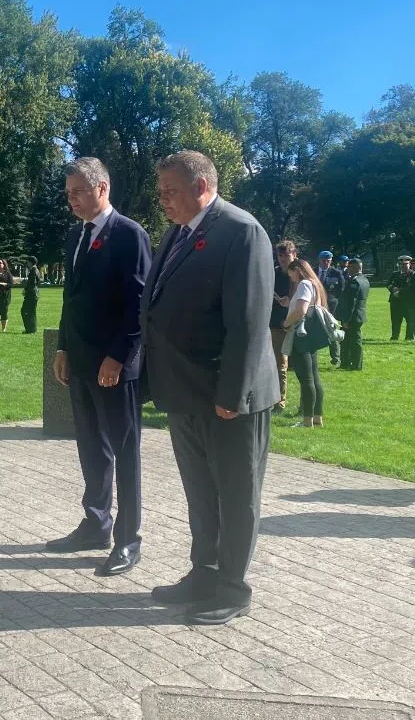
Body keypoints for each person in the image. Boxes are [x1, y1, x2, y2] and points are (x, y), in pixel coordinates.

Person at [141, 150, 278, 625]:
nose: (163, 201)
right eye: (161, 192)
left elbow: (248, 320)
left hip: (227, 398)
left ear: (201, 186)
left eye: (170, 191)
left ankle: (233, 588)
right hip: (184, 393)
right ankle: (204, 572)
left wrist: (232, 394)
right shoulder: (179, 232)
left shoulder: (241, 232)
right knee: (200, 491)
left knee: (236, 495)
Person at [49, 156, 151, 580]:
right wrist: (62, 347)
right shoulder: (76, 234)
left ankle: (128, 540)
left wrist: (117, 357)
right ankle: (95, 524)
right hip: (81, 363)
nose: (71, 200)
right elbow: (72, 298)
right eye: (68, 193)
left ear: (102, 189)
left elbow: (139, 304)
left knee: (124, 453)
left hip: (115, 366)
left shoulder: (129, 235)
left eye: (78, 192)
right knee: (91, 447)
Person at [282, 259, 328, 428]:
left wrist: (286, 323)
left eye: (291, 273)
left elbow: (301, 310)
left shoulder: (304, 284)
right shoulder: (315, 284)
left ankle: (307, 419)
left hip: (301, 333)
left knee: (306, 378)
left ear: (298, 270)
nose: (291, 278)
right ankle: (317, 417)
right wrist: (288, 303)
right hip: (312, 333)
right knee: (315, 377)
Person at [269, 241, 296, 411]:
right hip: (276, 323)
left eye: (287, 255)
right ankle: (279, 400)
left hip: (295, 323)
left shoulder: (299, 274)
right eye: (281, 255)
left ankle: (307, 406)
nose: (284, 259)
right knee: (279, 364)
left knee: (301, 366)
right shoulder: (274, 273)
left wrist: (290, 302)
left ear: (294, 254)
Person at [338, 257, 370, 370]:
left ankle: (355, 364)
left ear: (355, 268)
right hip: (359, 314)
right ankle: (346, 362)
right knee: (348, 340)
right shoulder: (364, 279)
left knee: (353, 341)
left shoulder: (354, 281)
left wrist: (346, 319)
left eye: (350, 267)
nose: (347, 269)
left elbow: (351, 302)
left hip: (352, 316)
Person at [316, 251, 346, 366]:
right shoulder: (313, 271)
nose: (326, 263)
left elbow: (341, 289)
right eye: (324, 260)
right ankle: (312, 357)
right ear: (319, 260)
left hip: (331, 307)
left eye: (328, 260)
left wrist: (334, 300)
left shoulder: (336, 273)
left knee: (331, 330)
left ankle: (335, 357)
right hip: (315, 305)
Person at [387, 256, 412, 340]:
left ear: (410, 264)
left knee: (410, 320)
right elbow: (388, 284)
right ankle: (395, 336)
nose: (403, 266)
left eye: (406, 264)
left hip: (407, 301)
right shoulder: (395, 274)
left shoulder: (413, 274)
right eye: (401, 264)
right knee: (395, 320)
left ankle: (409, 337)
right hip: (395, 300)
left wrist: (400, 291)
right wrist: (393, 289)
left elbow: (411, 287)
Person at [21, 255, 42, 333]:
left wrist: (25, 290)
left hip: (31, 294)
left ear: (30, 262)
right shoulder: (36, 270)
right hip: (34, 294)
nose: (27, 263)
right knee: (31, 312)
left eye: (28, 262)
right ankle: (31, 329)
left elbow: (32, 283)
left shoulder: (33, 271)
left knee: (26, 311)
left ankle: (30, 329)